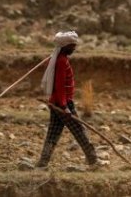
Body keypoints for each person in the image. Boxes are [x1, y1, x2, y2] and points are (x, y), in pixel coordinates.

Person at [36, 31, 98, 168]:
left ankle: (42, 163)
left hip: (56, 102)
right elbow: (59, 86)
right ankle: (94, 161)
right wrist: (65, 107)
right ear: (65, 46)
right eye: (72, 45)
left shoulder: (57, 59)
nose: (74, 48)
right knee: (79, 131)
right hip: (62, 103)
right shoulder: (62, 61)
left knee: (53, 134)